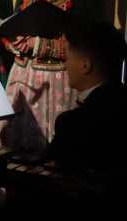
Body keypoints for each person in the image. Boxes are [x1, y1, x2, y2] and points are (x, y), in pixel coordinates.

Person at [3, 0, 99, 152]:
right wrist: (16, 42)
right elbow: (14, 25)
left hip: (57, 79)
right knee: (16, 148)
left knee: (48, 147)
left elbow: (90, 44)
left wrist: (40, 45)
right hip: (23, 76)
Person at [44, 21, 127, 178]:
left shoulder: (75, 123)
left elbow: (46, 171)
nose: (64, 65)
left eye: (67, 58)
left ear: (85, 65)